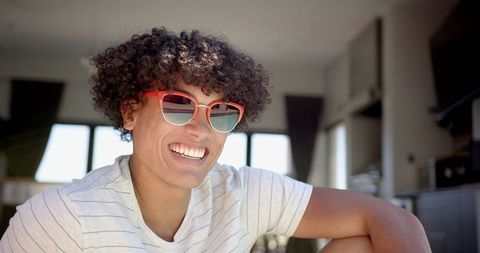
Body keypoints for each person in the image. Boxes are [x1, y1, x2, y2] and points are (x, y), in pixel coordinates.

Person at [0, 27, 431, 253]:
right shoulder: (61, 219)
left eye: (220, 112)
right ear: (131, 112)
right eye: (178, 104)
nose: (201, 130)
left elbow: (394, 221)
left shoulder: (241, 192)